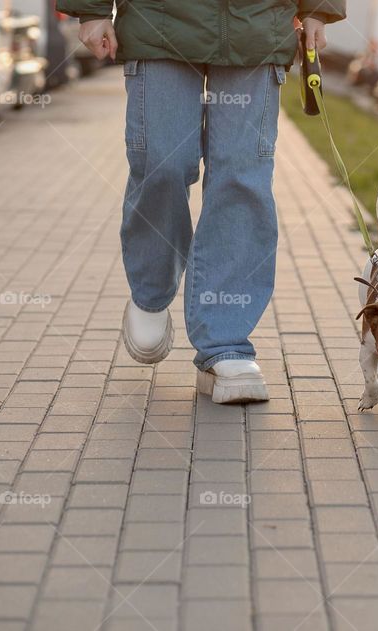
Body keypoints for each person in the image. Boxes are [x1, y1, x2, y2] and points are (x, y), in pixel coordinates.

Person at [56, 0, 346, 403]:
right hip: (159, 21)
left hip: (257, 24)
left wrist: (319, 7)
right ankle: (152, 291)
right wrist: (90, 9)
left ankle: (225, 343)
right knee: (162, 164)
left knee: (241, 180)